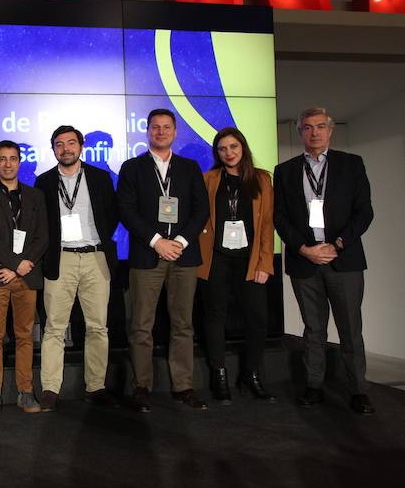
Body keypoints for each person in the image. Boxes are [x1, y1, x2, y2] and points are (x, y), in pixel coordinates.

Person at [274, 107, 375, 414]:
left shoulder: (351, 164)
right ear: (300, 132)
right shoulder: (286, 170)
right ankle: (314, 385)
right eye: (307, 127)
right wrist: (304, 248)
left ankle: (358, 390)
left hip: (342, 260)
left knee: (350, 329)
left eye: (320, 127)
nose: (314, 132)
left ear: (330, 131)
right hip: (305, 261)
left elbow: (364, 211)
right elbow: (280, 217)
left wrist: (338, 244)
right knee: (313, 329)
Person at [117, 109, 210, 412]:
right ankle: (142, 385)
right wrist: (158, 242)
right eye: (155, 127)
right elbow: (127, 211)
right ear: (147, 131)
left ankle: (183, 386)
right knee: (142, 324)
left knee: (183, 324)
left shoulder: (190, 167)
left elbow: (201, 210)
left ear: (175, 131)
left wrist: (179, 242)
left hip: (184, 256)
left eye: (166, 127)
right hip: (147, 255)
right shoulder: (132, 168)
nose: (160, 131)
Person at [34, 126, 118, 411]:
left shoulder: (100, 178)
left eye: (71, 143)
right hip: (61, 259)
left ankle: (96, 387)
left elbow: (112, 216)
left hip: (95, 258)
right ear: (53, 149)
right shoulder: (43, 182)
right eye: (60, 144)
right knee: (54, 327)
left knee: (98, 327)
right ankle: (50, 389)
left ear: (81, 147)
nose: (66, 148)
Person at [198, 127, 276, 404]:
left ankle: (252, 374)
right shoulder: (209, 179)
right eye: (222, 149)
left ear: (242, 148)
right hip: (216, 258)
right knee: (215, 316)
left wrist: (265, 263)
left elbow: (267, 224)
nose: (229, 153)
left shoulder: (262, 179)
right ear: (217, 153)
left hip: (250, 259)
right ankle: (219, 374)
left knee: (257, 318)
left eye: (233, 147)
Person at [0, 140, 48, 416]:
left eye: (12, 158)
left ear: (20, 162)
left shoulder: (35, 196)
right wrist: (15, 264)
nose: (7, 164)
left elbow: (43, 236)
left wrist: (19, 267)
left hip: (26, 276)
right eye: (2, 159)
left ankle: (25, 392)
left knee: (25, 336)